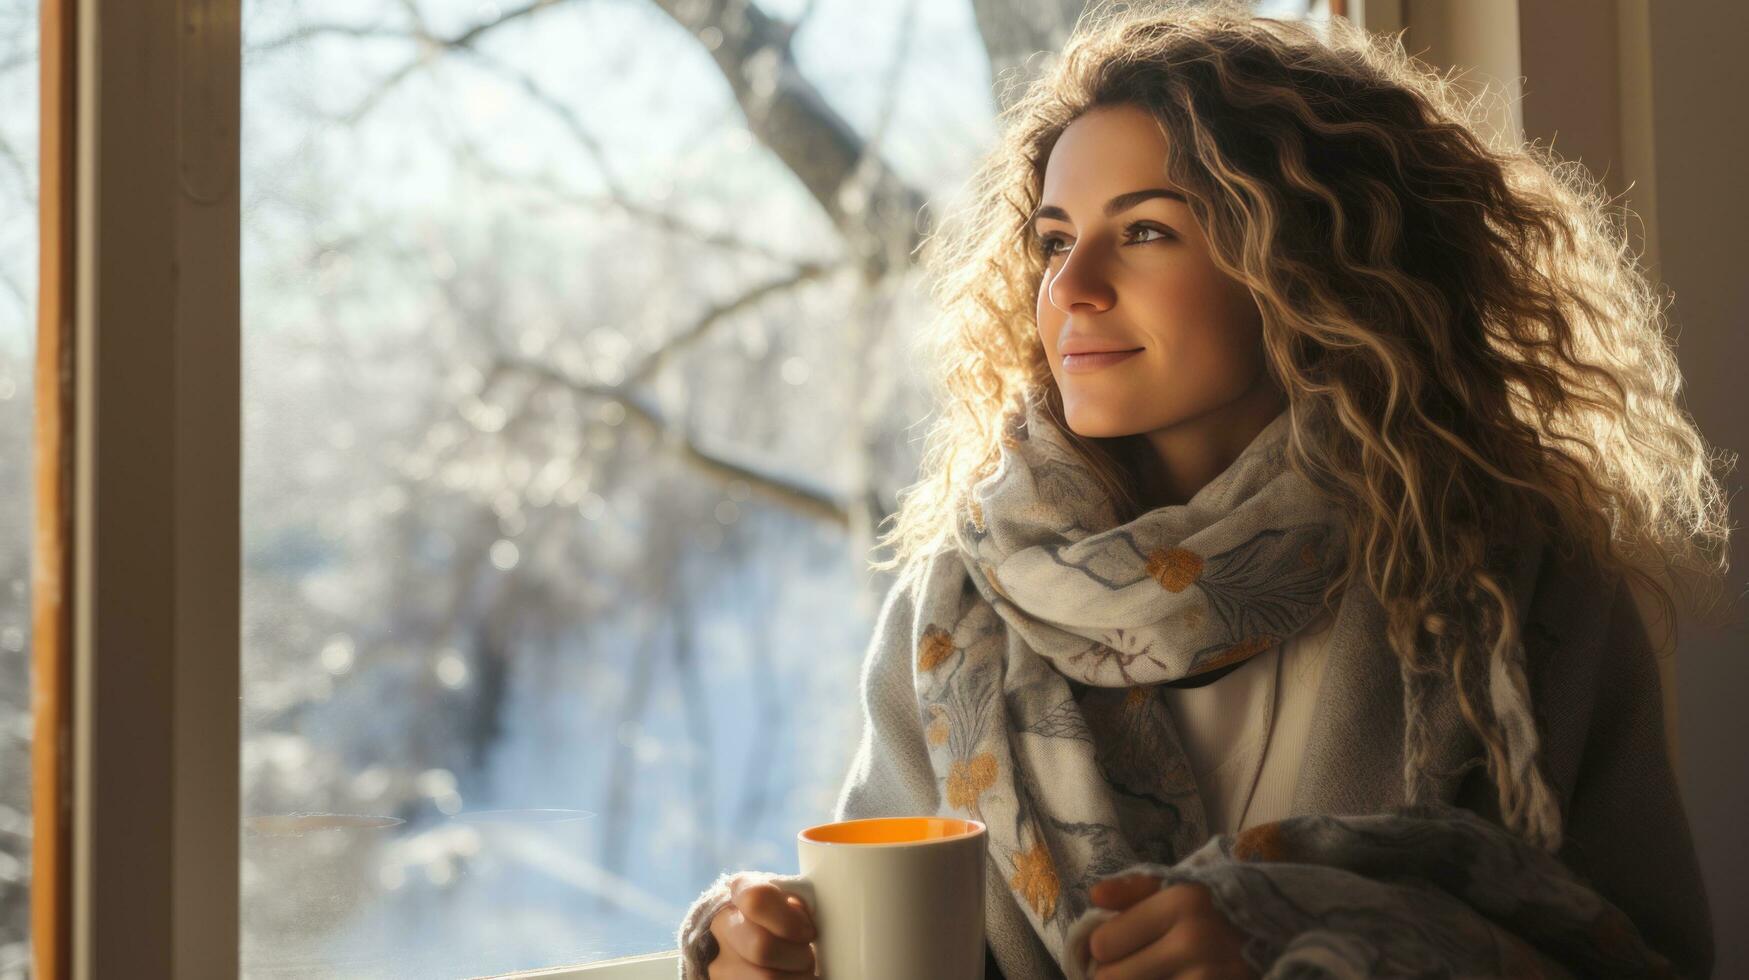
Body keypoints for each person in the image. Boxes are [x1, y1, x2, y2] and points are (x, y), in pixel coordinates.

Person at [675, 1, 1733, 977]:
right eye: (1052, 240)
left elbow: (1640, 957)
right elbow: (888, 930)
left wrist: (1310, 938)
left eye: (1144, 230)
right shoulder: (959, 611)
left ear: (1305, 263)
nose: (1071, 286)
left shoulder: (1509, 591)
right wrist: (764, 939)